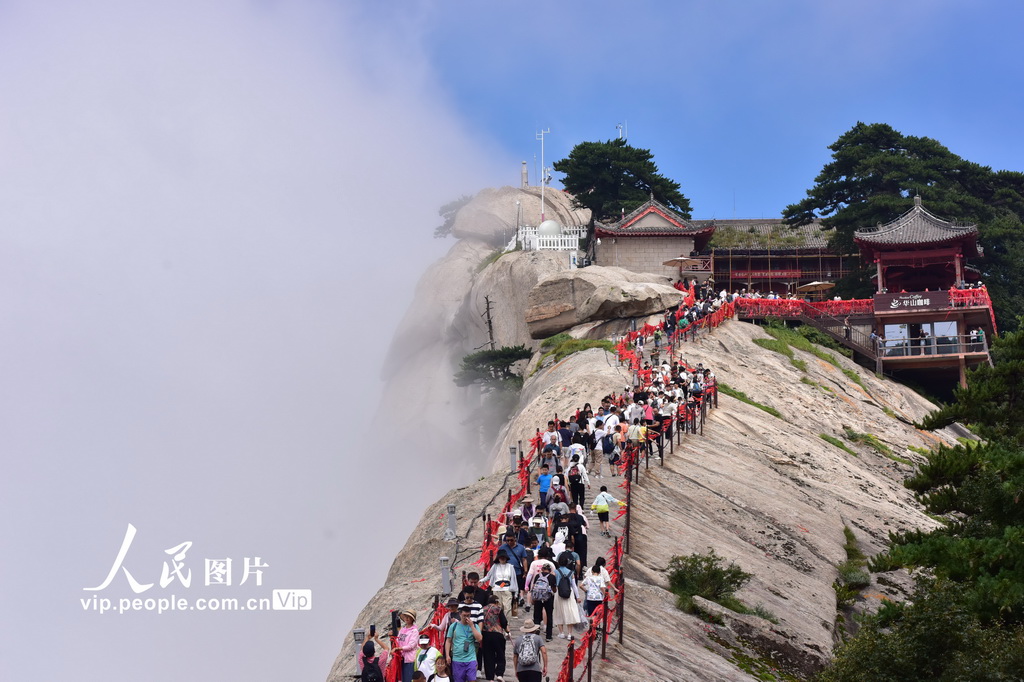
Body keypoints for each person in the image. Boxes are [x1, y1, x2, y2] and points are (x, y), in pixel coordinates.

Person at [445, 605, 482, 682]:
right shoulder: (454, 626)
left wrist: (471, 626)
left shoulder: (474, 626)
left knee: (472, 680)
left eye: (468, 615)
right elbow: (448, 641)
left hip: (471, 658)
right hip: (457, 659)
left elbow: (480, 639)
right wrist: (447, 655)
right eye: (464, 615)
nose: (466, 618)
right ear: (460, 614)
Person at [480, 594, 510, 682]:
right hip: (498, 634)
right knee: (500, 654)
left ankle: (490, 678)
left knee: (488, 656)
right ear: (496, 602)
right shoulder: (498, 609)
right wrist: (508, 631)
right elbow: (504, 623)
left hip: (486, 635)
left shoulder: (482, 609)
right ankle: (499, 674)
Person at [496, 534, 528, 616]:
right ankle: (506, 607)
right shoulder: (503, 548)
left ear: (515, 539)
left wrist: (525, 571)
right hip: (504, 574)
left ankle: (514, 608)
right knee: (505, 589)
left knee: (515, 590)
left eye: (511, 540)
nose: (509, 542)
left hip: (517, 572)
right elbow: (497, 559)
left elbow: (524, 560)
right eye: (508, 540)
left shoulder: (521, 548)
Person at [552, 554, 582, 639]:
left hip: (559, 593)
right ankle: (569, 633)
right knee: (570, 612)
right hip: (569, 593)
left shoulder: (555, 572)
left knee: (559, 612)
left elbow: (553, 584)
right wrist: (578, 597)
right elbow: (574, 586)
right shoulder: (571, 572)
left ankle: (561, 632)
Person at [482, 550, 517, 616]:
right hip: (497, 589)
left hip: (507, 589)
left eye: (504, 557)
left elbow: (514, 579)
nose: (502, 558)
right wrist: (481, 581)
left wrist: (516, 592)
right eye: (501, 557)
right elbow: (488, 576)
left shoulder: (510, 567)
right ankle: (500, 623)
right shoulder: (495, 566)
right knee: (498, 608)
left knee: (507, 608)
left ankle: (507, 624)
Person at [529, 562, 557, 641]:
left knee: (537, 615)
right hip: (548, 598)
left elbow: (534, 587)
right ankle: (548, 636)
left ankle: (536, 629)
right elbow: (554, 590)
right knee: (549, 615)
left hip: (538, 598)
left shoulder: (538, 576)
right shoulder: (552, 577)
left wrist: (533, 598)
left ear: (542, 569)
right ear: (550, 570)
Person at [395, 609, 420, 682]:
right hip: (401, 657)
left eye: (409, 617)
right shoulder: (402, 629)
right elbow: (397, 640)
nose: (407, 618)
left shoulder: (414, 631)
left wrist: (399, 648)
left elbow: (411, 645)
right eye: (405, 616)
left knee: (409, 678)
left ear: (412, 619)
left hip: (409, 659)